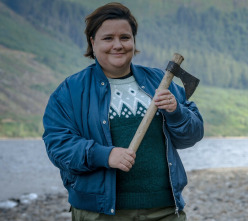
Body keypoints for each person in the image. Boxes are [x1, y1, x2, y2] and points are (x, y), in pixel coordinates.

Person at [42, 2, 204, 220]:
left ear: (133, 41)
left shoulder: (160, 82)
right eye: (108, 38)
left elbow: (192, 136)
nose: (117, 45)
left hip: (165, 208)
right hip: (99, 212)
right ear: (93, 42)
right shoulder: (71, 91)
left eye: (125, 38)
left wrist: (176, 112)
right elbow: (58, 146)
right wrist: (105, 155)